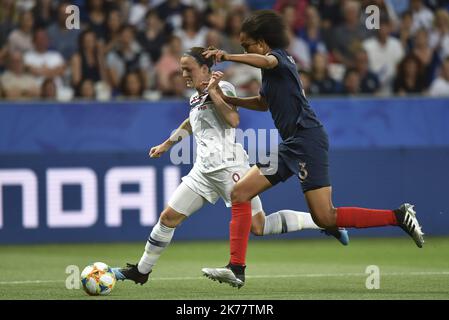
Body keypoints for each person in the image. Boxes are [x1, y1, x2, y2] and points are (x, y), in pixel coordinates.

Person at [201, 10, 424, 288]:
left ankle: (399, 216)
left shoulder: (279, 58)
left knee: (325, 216)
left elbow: (267, 61)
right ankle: (237, 268)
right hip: (290, 145)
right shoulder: (269, 73)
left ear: (262, 42)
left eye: (247, 45)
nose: (245, 49)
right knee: (240, 192)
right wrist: (228, 99)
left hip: (307, 141)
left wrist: (229, 56)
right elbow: (263, 102)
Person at [111, 47, 349, 287]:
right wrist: (167, 143)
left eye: (188, 69)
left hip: (230, 168)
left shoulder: (223, 88)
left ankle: (326, 223)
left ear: (205, 69)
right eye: (182, 69)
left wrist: (213, 91)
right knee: (168, 217)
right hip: (202, 171)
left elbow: (233, 120)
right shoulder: (194, 97)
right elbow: (191, 122)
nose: (183, 74)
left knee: (260, 226)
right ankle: (141, 271)